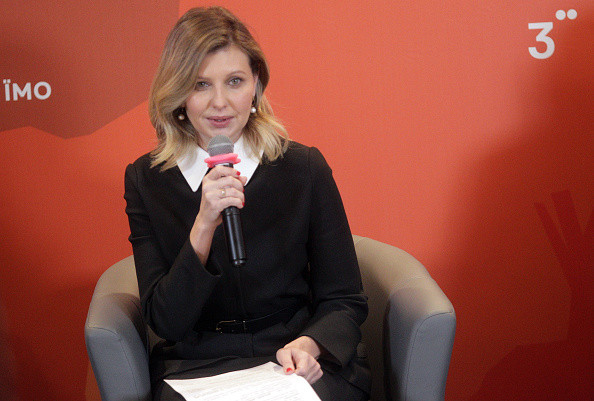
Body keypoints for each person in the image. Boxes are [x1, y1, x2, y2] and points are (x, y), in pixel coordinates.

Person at [124, 6, 370, 400]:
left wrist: (310, 346)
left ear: (256, 84)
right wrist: (203, 226)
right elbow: (165, 322)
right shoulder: (146, 180)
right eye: (201, 85)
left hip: (292, 356)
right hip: (197, 365)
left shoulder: (303, 168)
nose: (220, 102)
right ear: (179, 93)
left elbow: (344, 299)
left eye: (235, 81)